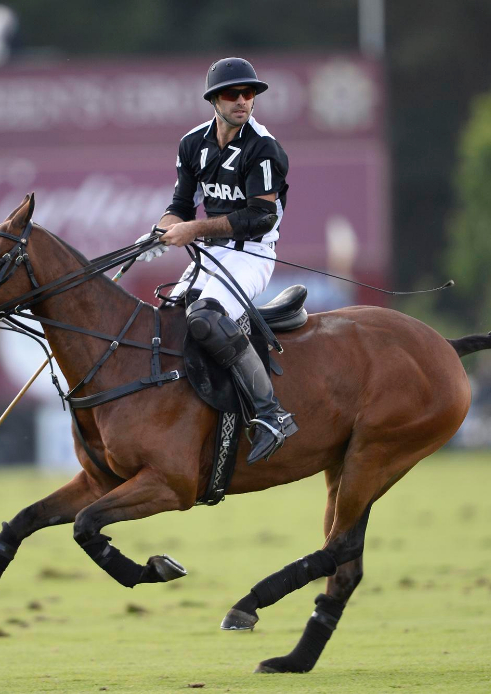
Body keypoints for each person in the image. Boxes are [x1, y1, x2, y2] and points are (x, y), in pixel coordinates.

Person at [137, 57, 298, 464]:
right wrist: (160, 230)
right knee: (169, 318)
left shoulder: (263, 149)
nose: (243, 100)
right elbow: (179, 206)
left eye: (250, 94)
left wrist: (192, 231)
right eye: (233, 94)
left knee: (206, 317)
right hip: (212, 252)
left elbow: (260, 219)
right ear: (214, 100)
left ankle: (271, 413)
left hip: (253, 255)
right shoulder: (192, 143)